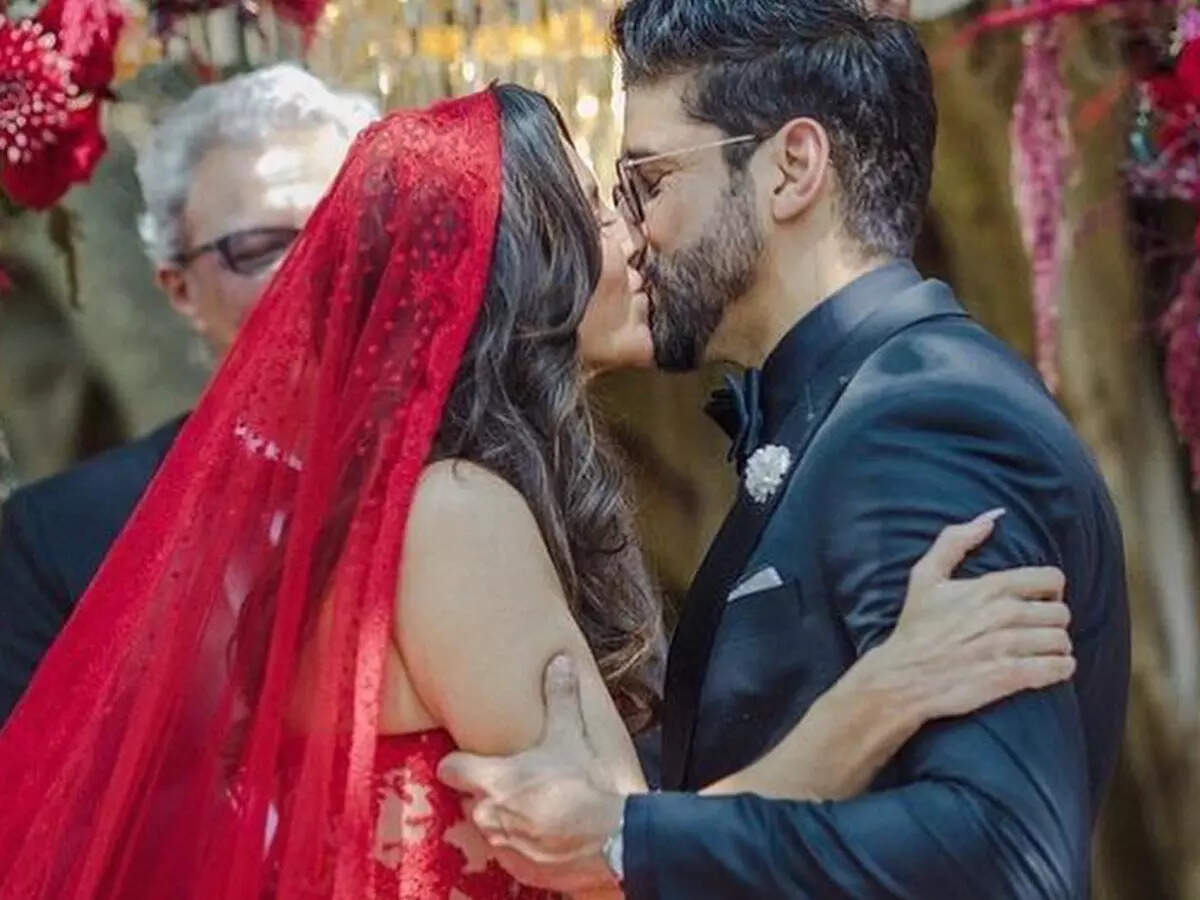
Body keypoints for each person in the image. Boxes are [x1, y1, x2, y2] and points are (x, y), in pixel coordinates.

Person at [0, 86, 1073, 900]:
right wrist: (886, 691)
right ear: (523, 267)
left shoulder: (398, 505)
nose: (634, 238)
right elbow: (628, 865)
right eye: (599, 210)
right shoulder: (453, 512)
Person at [438, 2, 1131, 898]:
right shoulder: (844, 406)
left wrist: (628, 840)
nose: (634, 232)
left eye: (648, 179)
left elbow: (1004, 852)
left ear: (793, 168)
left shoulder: (926, 417)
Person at [0, 64, 376, 721]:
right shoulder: (65, 536)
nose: (316, 267)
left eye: (346, 229)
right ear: (180, 289)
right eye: (259, 248)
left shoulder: (491, 472)